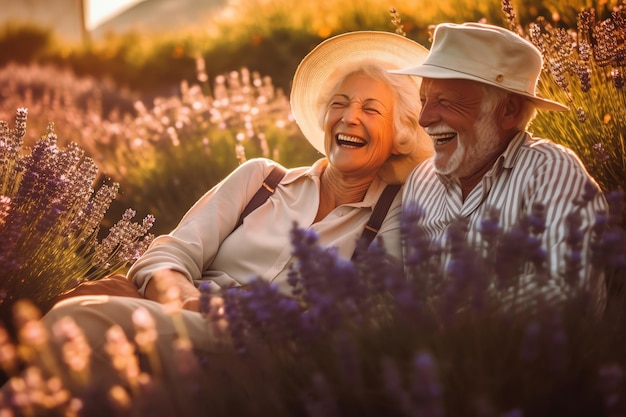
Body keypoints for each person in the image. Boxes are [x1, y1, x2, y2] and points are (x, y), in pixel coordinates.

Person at [1, 31, 432, 409]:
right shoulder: (262, 177)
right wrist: (185, 301)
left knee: (73, 325)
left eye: (371, 110)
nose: (350, 116)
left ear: (401, 133)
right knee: (80, 327)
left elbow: (370, 318)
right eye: (340, 103)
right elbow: (171, 250)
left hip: (271, 347)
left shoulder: (393, 216)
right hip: (185, 315)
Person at [391, 22, 608, 311]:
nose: (424, 119)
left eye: (444, 102)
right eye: (423, 100)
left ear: (508, 110)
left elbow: (567, 289)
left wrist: (458, 321)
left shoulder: (550, 170)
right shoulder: (421, 179)